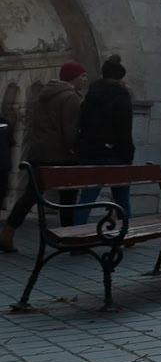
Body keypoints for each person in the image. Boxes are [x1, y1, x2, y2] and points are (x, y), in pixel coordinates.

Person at [0, 61, 86, 249]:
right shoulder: (70, 97)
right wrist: (74, 148)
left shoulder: (44, 95)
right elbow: (69, 129)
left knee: (31, 195)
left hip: (38, 153)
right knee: (68, 197)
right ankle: (69, 236)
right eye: (82, 76)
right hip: (60, 155)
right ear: (74, 78)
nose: (84, 80)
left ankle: (8, 231)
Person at [75, 55, 135, 222]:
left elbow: (82, 123)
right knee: (122, 198)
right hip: (114, 155)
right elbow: (125, 130)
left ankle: (75, 238)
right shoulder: (122, 98)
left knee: (86, 199)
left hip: (90, 153)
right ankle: (124, 234)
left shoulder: (90, 96)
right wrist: (127, 155)